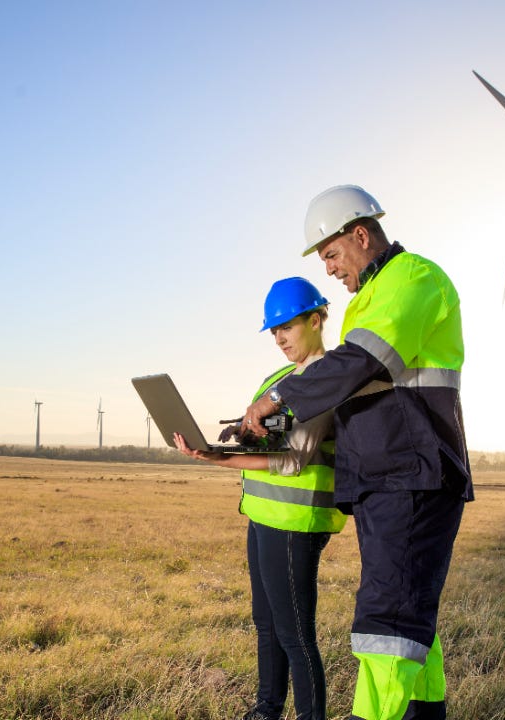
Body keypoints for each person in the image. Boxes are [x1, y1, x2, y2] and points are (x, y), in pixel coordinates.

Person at [239, 185, 473, 720]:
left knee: (386, 627)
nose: (330, 270)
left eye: (331, 255)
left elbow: (359, 362)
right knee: (413, 625)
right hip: (385, 479)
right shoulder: (371, 299)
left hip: (410, 476)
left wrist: (280, 395)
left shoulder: (412, 278)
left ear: (360, 234)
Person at [173, 276, 346, 720]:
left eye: (286, 326)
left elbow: (295, 460)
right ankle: (266, 710)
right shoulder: (281, 378)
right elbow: (266, 441)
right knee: (267, 624)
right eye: (273, 331)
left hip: (294, 523)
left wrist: (217, 461)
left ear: (315, 318)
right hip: (263, 516)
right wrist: (228, 443)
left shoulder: (324, 377)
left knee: (295, 635)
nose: (279, 338)